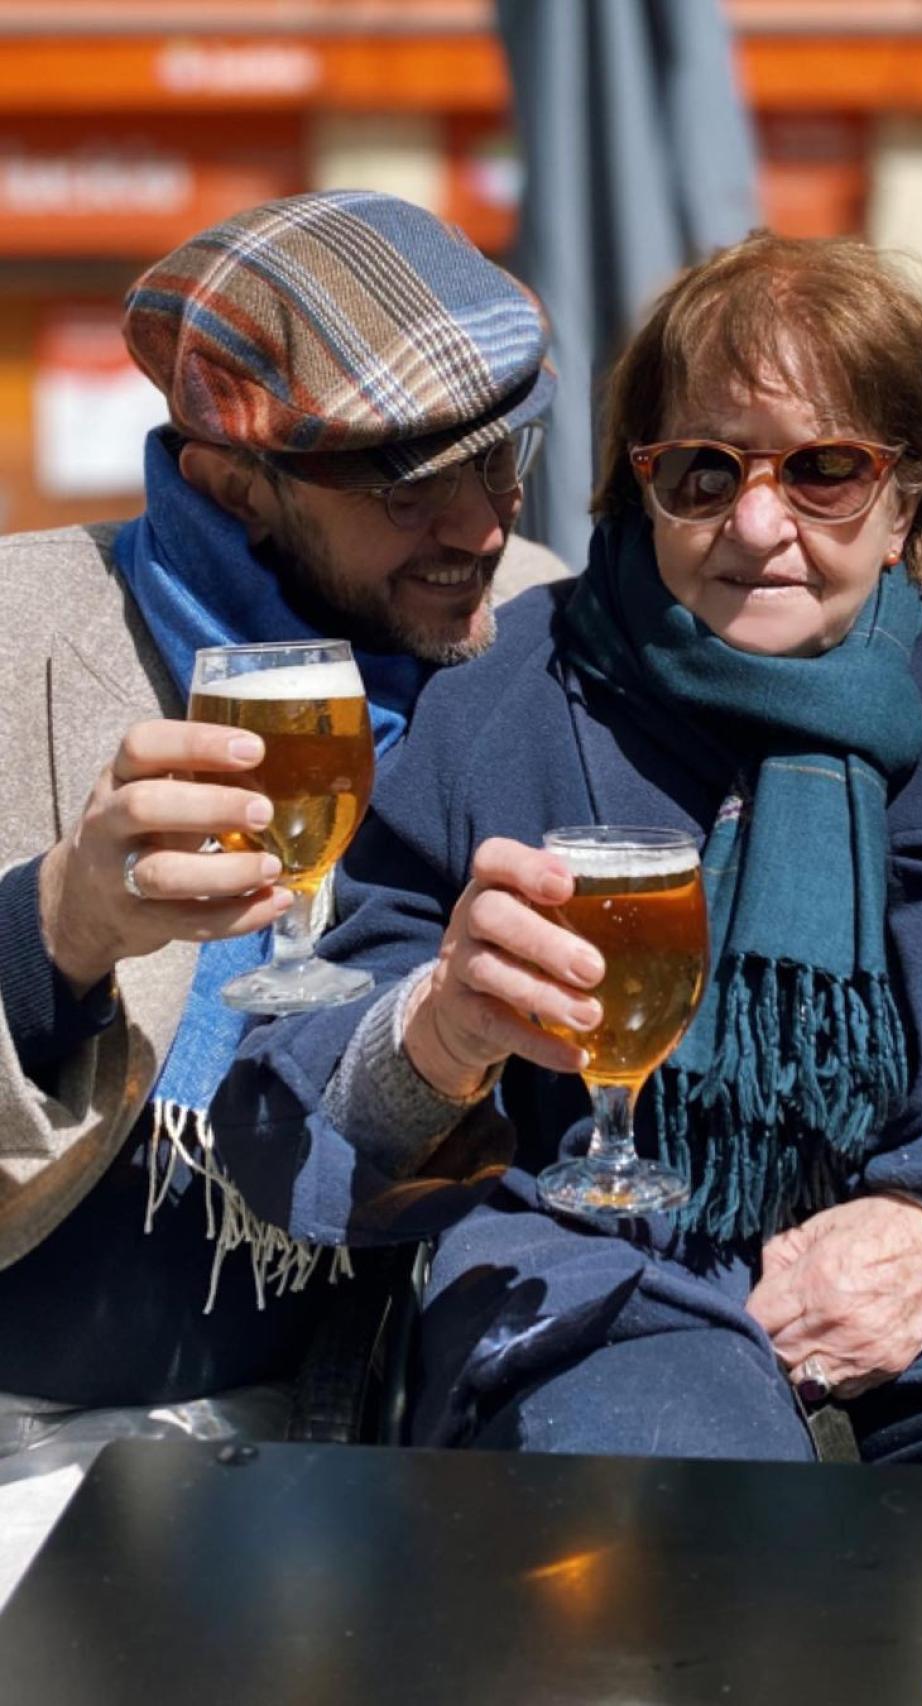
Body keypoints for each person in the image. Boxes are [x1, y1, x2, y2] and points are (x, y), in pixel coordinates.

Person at [213, 229, 922, 1463]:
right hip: (588, 1292)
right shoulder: (502, 684)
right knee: (674, 1546)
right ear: (638, 489)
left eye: (826, 469)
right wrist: (438, 1032)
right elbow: (302, 1087)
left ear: (907, 506)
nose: (757, 523)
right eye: (704, 475)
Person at [0, 188, 564, 1455]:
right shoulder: (19, 624)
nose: (478, 524)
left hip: (382, 1442)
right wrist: (57, 928)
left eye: (500, 458)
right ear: (232, 484)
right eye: (409, 489)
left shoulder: (540, 625)